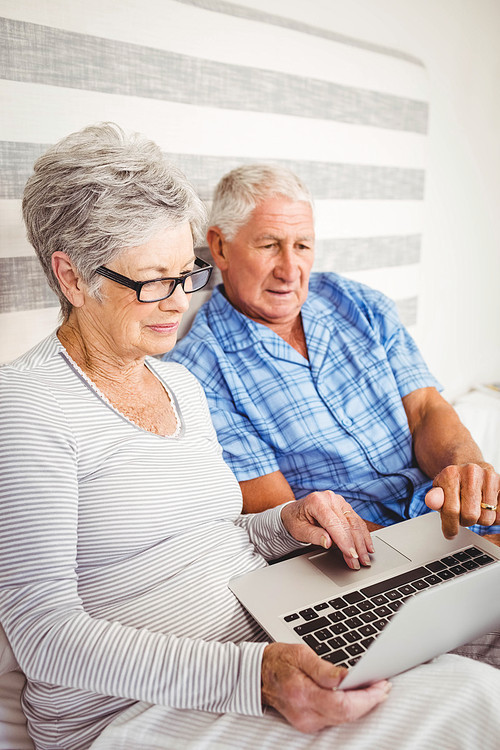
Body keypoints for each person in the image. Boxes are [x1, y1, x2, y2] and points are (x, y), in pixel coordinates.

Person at [1, 125, 499, 750]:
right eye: (153, 281)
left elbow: (210, 533)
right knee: (475, 701)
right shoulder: (25, 405)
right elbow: (44, 637)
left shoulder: (177, 383)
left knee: (475, 676)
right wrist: (254, 677)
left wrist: (286, 522)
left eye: (187, 276)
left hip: (269, 641)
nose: (178, 304)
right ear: (72, 279)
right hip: (130, 711)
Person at [166, 165, 500, 544]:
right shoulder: (198, 374)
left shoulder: (358, 303)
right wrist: (453, 554)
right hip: (370, 552)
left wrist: (467, 470)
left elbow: (426, 409)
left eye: (303, 246)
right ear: (220, 247)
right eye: (269, 245)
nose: (290, 271)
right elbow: (285, 515)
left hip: (456, 520)